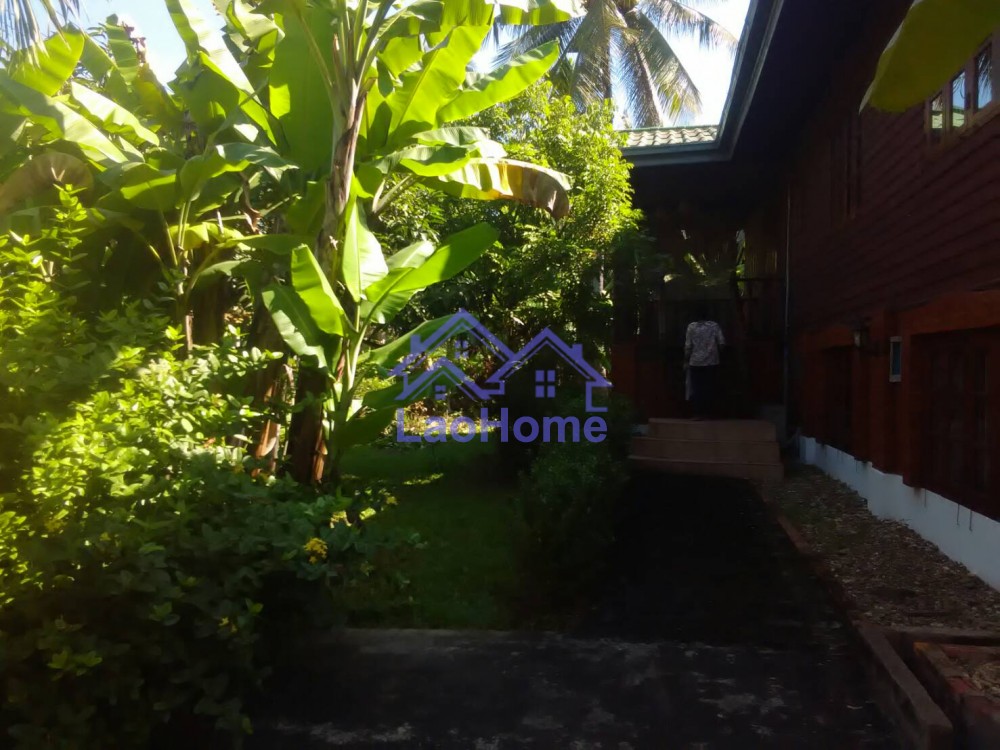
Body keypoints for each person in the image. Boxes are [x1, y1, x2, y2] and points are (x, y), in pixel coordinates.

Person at [684, 304, 725, 419]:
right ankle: (710, 413)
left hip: (695, 362)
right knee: (711, 387)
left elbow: (688, 347)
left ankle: (698, 413)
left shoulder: (691, 327)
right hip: (712, 362)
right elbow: (721, 343)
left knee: (697, 388)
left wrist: (686, 361)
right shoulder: (714, 326)